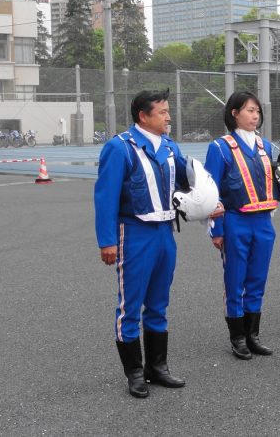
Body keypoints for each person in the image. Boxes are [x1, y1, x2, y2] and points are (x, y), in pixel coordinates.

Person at [94, 89, 223, 398]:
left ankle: (157, 367)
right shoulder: (120, 148)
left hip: (165, 232)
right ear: (143, 116)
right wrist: (107, 242)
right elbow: (105, 198)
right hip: (134, 232)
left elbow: (189, 181)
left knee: (159, 303)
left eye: (168, 111)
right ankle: (135, 373)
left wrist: (208, 204)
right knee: (130, 306)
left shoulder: (168, 147)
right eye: (162, 111)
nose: (169, 116)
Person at [204, 91, 280, 360]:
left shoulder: (264, 146)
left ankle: (253, 335)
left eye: (257, 111)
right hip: (235, 221)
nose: (255, 116)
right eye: (250, 110)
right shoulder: (219, 147)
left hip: (263, 222)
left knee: (257, 279)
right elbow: (210, 191)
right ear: (234, 113)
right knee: (235, 280)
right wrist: (217, 230)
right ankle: (237, 337)